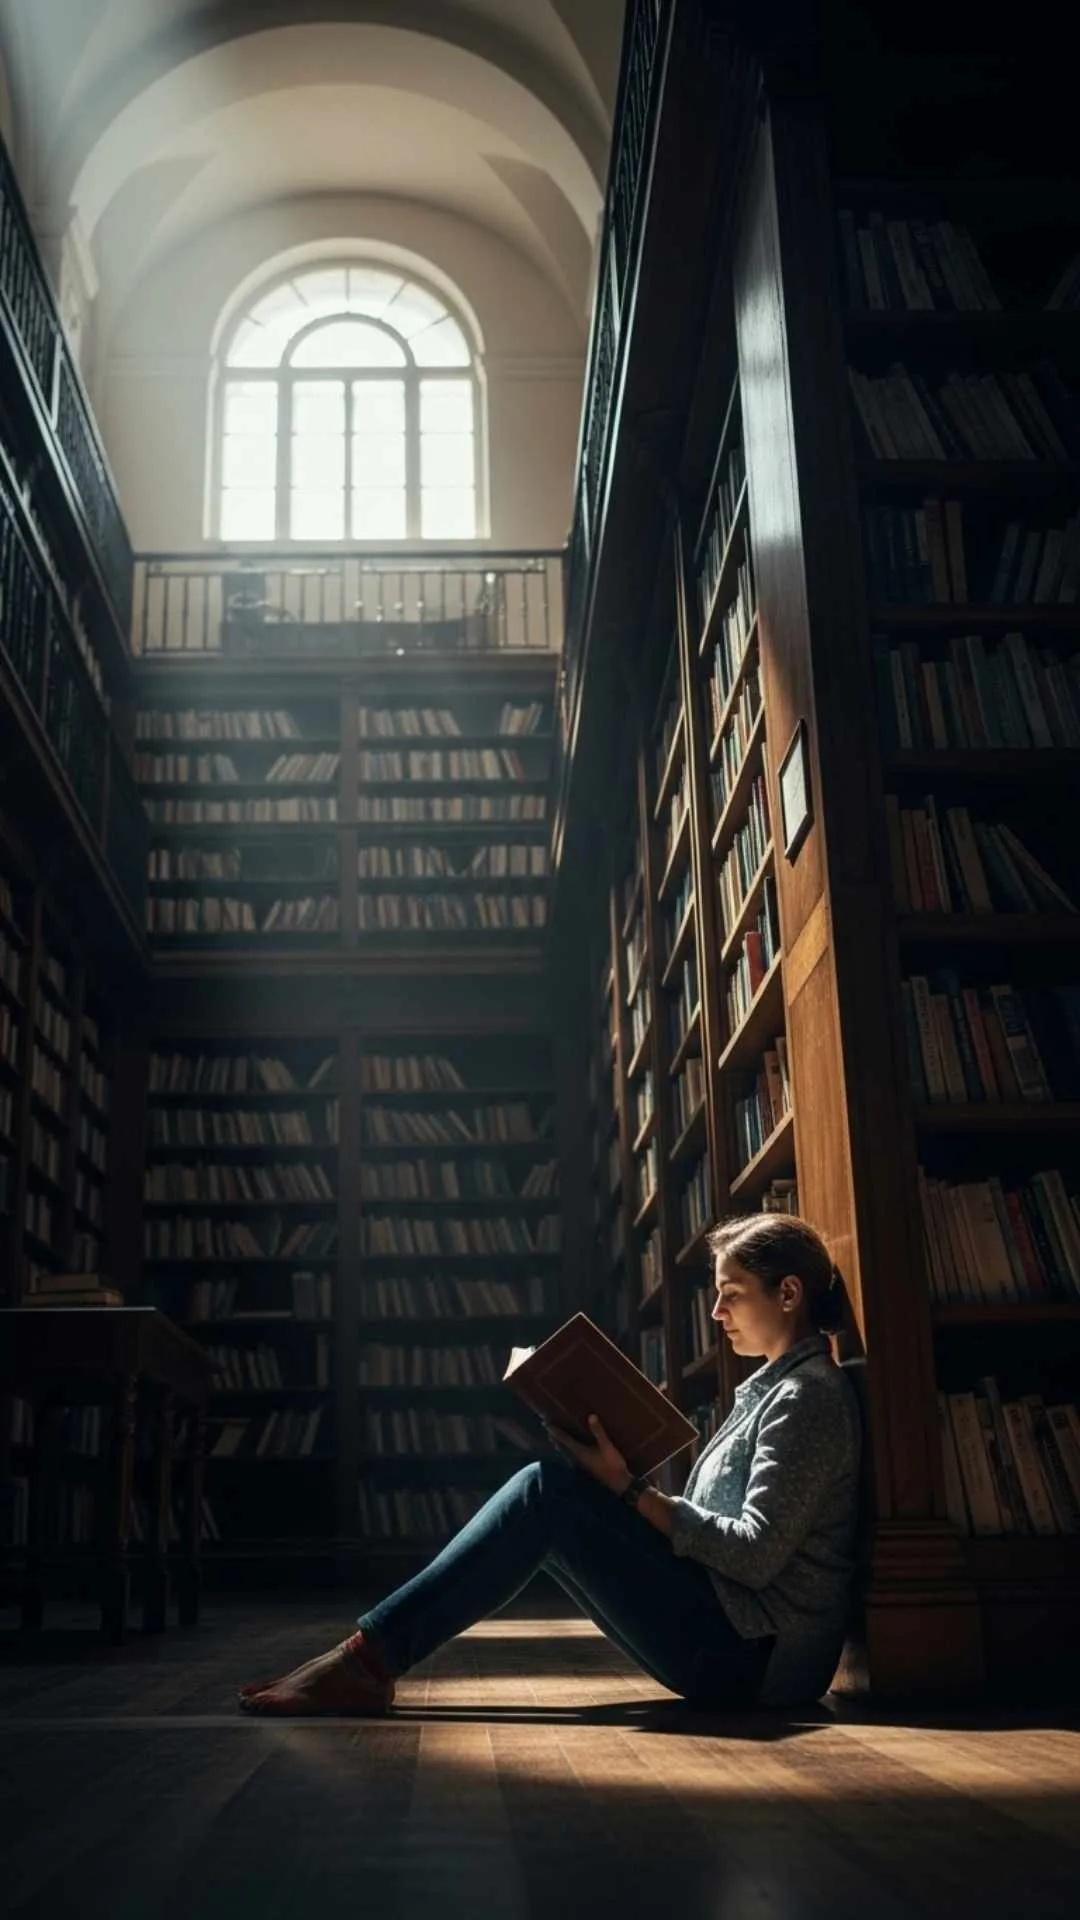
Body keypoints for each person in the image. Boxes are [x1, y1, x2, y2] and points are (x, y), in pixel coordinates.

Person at [238, 1212, 862, 1716]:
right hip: (740, 1636)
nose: (716, 1313)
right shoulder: (772, 1389)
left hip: (756, 1658)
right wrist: (624, 1490)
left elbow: (755, 1553)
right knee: (551, 1493)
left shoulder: (807, 1397)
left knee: (545, 1492)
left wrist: (627, 1488)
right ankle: (368, 1656)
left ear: (788, 1294)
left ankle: (366, 1660)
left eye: (730, 1295)